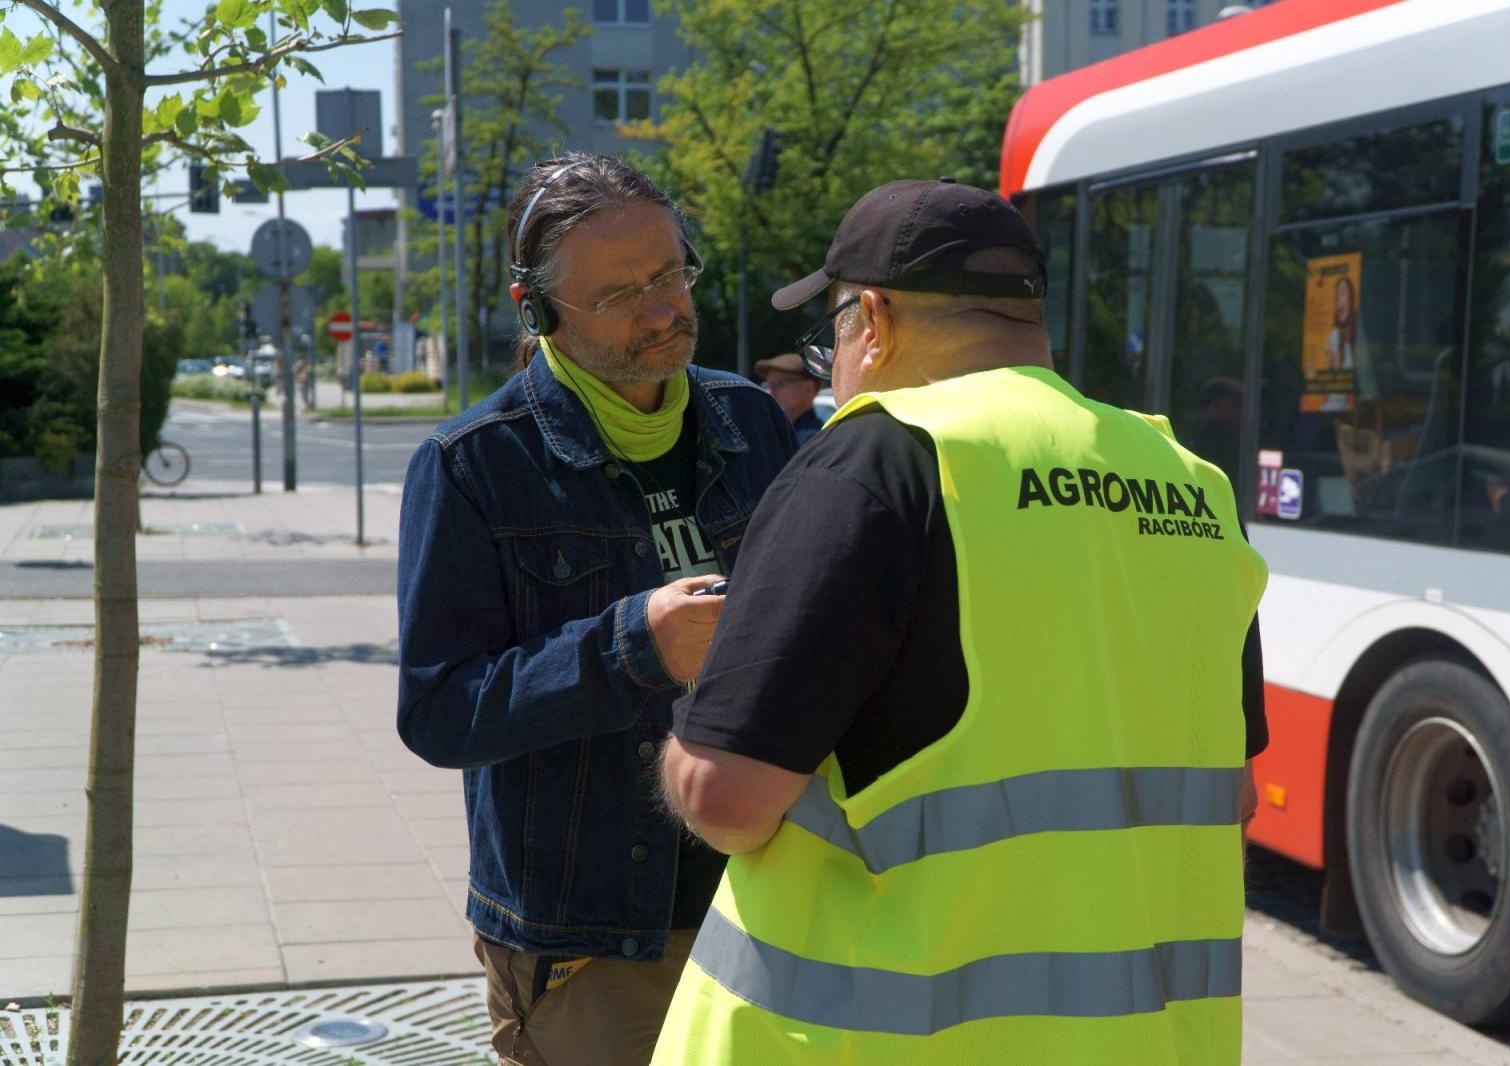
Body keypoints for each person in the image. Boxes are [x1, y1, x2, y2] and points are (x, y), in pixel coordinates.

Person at [651, 178, 1269, 1064]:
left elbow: (727, 800)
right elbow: (1229, 794)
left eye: (832, 331)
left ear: (873, 316)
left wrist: (688, 727)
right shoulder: (1191, 482)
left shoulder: (879, 458)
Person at [395, 151, 797, 1066]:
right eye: (620, 294)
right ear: (533, 310)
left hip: (769, 900)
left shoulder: (754, 423)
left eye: (670, 273)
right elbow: (440, 712)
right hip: (591, 946)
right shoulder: (473, 465)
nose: (664, 310)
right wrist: (632, 647)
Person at [755, 352, 824, 443]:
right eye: (767, 385)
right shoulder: (779, 433)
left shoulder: (814, 439)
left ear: (808, 387)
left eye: (778, 384)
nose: (769, 392)